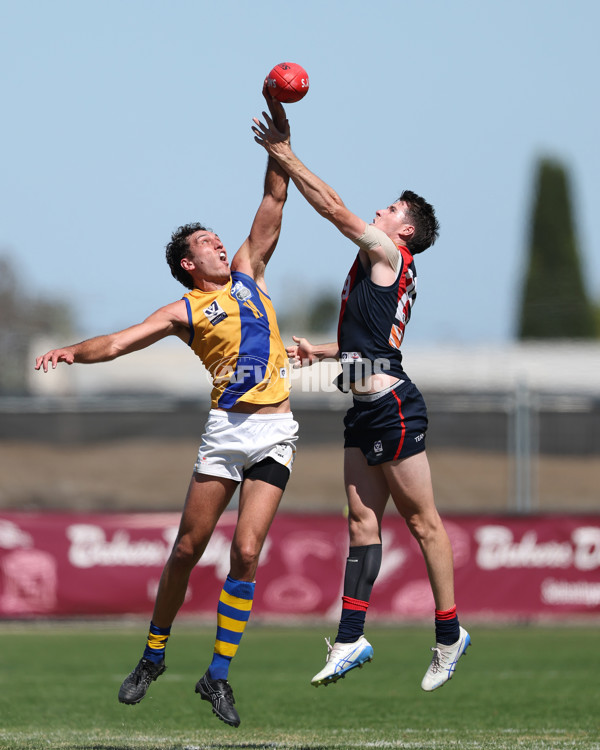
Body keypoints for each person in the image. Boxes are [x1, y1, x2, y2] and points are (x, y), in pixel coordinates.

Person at [35, 88, 296, 728]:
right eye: (206, 242)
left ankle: (218, 676)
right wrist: (73, 351)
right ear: (188, 262)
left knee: (247, 553)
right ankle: (154, 655)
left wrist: (281, 142)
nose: (218, 244)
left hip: (278, 428)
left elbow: (274, 199)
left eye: (215, 239)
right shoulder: (183, 310)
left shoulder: (249, 273)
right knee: (187, 548)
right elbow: (119, 342)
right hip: (228, 431)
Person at [252, 111, 470, 692]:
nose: (381, 210)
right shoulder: (378, 263)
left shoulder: (390, 255)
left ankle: (449, 635)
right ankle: (351, 638)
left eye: (392, 209)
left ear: (403, 233)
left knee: (423, 524)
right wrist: (320, 352)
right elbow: (368, 340)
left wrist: (286, 155)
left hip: (394, 403)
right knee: (361, 523)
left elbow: (331, 206)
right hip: (363, 406)